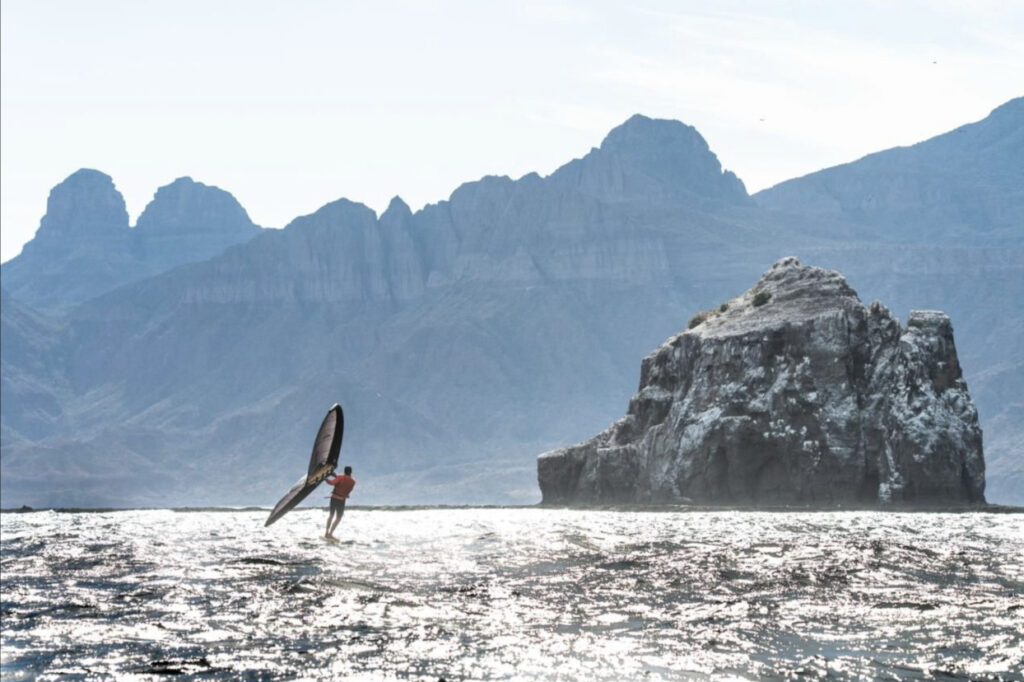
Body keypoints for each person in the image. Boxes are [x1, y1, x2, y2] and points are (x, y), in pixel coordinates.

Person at [324, 466, 355, 540]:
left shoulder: (340, 477)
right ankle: (331, 534)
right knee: (338, 518)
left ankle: (326, 532)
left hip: (334, 498)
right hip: (342, 500)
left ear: (344, 471)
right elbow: (348, 491)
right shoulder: (353, 481)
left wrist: (325, 479)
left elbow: (332, 483)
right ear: (351, 472)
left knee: (331, 515)